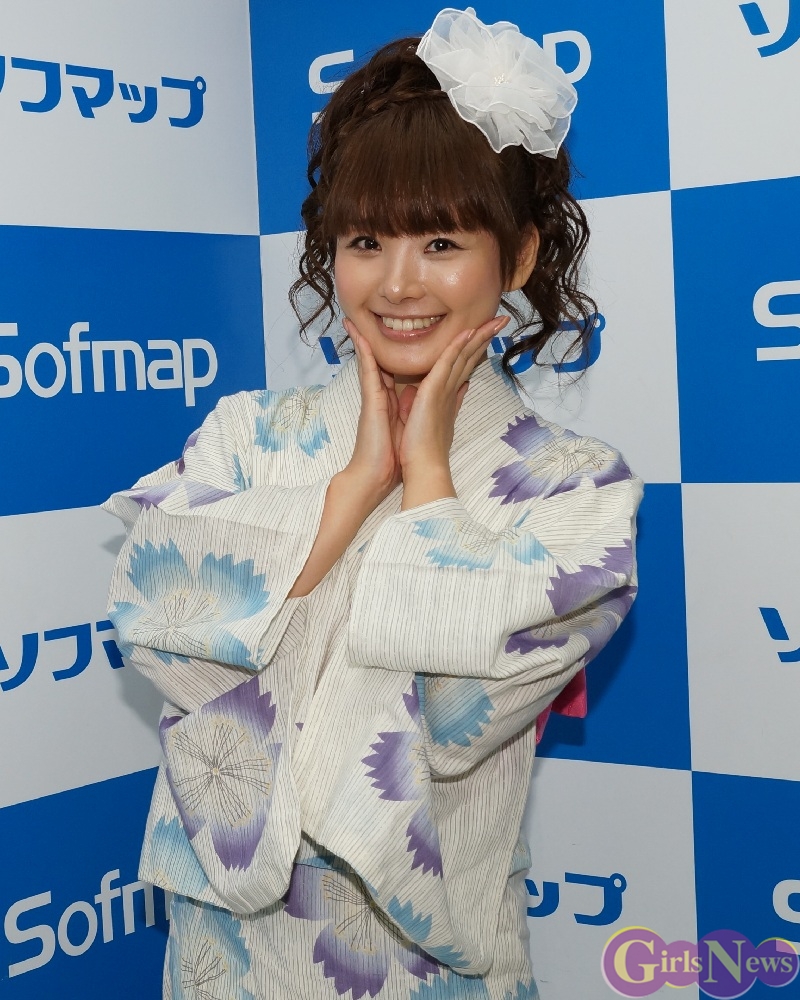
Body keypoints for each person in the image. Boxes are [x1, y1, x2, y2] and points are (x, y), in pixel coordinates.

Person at [103, 8, 642, 999]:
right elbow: (160, 641)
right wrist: (353, 488)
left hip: (423, 955)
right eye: (364, 240)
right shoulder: (244, 434)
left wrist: (426, 475)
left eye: (440, 241)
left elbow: (458, 717)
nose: (397, 284)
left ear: (519, 257)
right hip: (224, 947)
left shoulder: (576, 486)